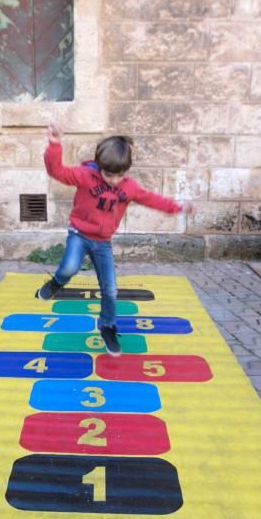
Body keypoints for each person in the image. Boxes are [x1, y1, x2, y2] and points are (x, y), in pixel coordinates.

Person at [35, 123, 191, 355]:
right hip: (79, 234)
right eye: (109, 175)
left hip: (102, 243)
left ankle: (108, 327)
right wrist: (55, 144)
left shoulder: (129, 188)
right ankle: (56, 283)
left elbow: (151, 199)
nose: (114, 181)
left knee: (110, 289)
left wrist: (177, 207)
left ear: (126, 171)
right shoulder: (85, 176)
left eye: (120, 175)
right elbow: (57, 171)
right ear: (99, 167)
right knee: (69, 267)